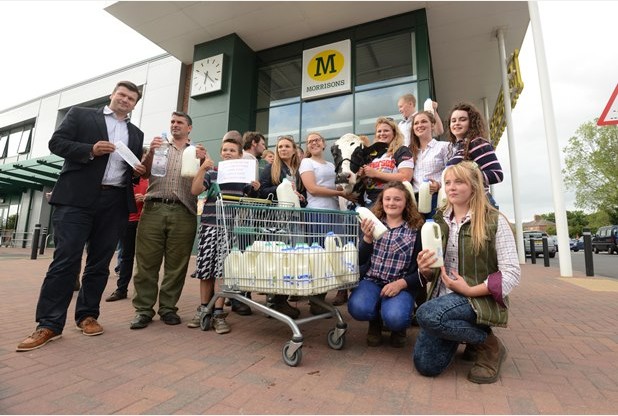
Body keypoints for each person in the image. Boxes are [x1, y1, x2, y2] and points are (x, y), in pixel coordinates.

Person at [17, 81, 145, 352]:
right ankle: (49, 324)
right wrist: (89, 149)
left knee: (99, 264)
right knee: (66, 259)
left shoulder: (136, 133)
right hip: (77, 198)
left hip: (114, 202)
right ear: (112, 95)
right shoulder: (80, 114)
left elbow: (130, 170)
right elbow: (56, 143)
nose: (125, 100)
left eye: (131, 98)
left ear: (135, 103)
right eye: (121, 94)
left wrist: (138, 170)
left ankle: (87, 316)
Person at [413, 161, 520, 384]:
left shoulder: (494, 221)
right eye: (448, 182)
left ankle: (489, 346)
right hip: (442, 299)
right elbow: (434, 271)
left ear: (474, 185)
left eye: (459, 182)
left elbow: (511, 273)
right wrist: (425, 269)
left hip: (477, 298)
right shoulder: (439, 219)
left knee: (426, 314)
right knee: (426, 365)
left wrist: (470, 289)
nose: (451, 187)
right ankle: (466, 336)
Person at [129, 111, 208, 330]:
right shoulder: (159, 146)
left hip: (184, 211)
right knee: (146, 262)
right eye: (172, 122)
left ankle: (167, 308)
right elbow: (142, 174)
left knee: (177, 265)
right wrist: (150, 152)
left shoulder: (197, 151)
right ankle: (143, 310)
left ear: (189, 128)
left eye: (180, 122)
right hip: (153, 207)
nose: (175, 125)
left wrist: (204, 160)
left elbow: (203, 180)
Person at [188, 138, 260, 332]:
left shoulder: (243, 177)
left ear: (239, 155)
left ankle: (218, 312)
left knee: (222, 271)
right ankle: (204, 309)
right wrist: (202, 168)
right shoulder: (212, 173)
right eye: (225, 150)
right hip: (210, 226)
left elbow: (248, 200)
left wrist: (254, 187)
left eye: (232, 150)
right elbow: (195, 190)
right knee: (205, 271)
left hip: (229, 230)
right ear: (221, 153)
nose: (228, 153)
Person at [347, 181, 424, 348]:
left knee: (396, 318)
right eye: (387, 199)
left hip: (400, 284)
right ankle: (375, 322)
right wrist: (366, 240)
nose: (391, 203)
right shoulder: (372, 222)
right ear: (381, 201)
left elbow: (423, 272)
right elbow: (358, 260)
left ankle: (398, 327)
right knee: (358, 308)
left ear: (406, 203)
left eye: (397, 199)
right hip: (372, 280)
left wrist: (402, 283)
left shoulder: (417, 229)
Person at [299, 132, 355, 313]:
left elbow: (340, 186)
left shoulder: (332, 165)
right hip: (317, 213)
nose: (313, 143)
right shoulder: (306, 163)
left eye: (317, 140)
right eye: (310, 142)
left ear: (323, 144)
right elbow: (312, 189)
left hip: (334, 213)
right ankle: (316, 301)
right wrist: (339, 193)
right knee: (318, 258)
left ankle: (321, 299)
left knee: (333, 255)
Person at [259, 135, 306, 318]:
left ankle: (280, 299)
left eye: (287, 146)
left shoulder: (299, 170)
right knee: (279, 258)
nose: (283, 149)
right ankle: (276, 300)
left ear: (294, 149)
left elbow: (303, 194)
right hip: (277, 219)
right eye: (280, 147)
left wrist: (301, 197)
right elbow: (262, 191)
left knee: (293, 258)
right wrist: (282, 189)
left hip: (296, 219)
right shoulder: (271, 168)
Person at [445, 102, 503, 208]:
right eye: (453, 121)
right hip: (463, 207)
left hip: (479, 204)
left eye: (462, 119)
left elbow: (497, 174)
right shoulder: (456, 148)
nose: (457, 123)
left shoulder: (477, 143)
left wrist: (467, 178)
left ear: (472, 122)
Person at [105, 175, 149, 301]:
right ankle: (121, 290)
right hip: (128, 221)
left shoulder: (149, 179)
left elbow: (156, 196)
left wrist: (145, 198)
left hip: (144, 222)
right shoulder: (124, 179)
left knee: (144, 259)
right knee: (126, 257)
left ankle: (142, 293)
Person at [359, 116, 414, 207]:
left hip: (393, 202)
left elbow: (406, 177)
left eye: (386, 131)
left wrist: (376, 174)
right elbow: (369, 182)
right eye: (379, 131)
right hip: (371, 202)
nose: (382, 133)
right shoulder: (372, 154)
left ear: (394, 133)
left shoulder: (402, 150)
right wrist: (364, 176)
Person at [409, 111, 450, 218]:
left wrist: (439, 185)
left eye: (423, 122)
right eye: (416, 123)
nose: (419, 125)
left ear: (432, 125)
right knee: (417, 234)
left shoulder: (444, 147)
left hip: (435, 198)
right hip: (414, 201)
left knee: (435, 232)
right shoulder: (410, 151)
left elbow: (452, 172)